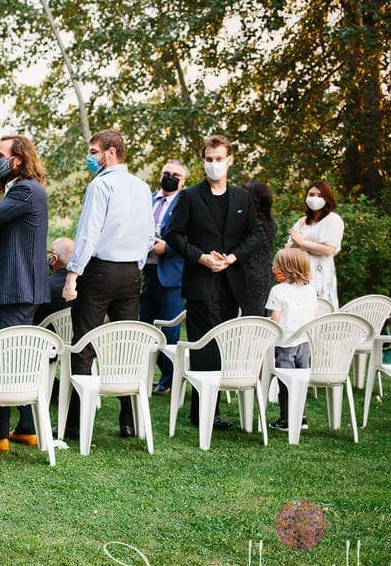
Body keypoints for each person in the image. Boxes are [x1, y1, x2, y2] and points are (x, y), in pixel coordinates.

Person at [165, 134, 262, 431]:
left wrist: (233, 257)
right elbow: (173, 234)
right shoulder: (190, 196)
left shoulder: (243, 198)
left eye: (219, 159)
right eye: (209, 160)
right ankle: (203, 412)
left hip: (232, 281)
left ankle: (214, 407)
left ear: (229, 160)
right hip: (200, 281)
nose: (214, 164)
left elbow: (255, 234)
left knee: (224, 345)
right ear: (203, 160)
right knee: (204, 346)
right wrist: (200, 257)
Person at [62, 129, 154, 439]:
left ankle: (75, 423)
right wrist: (136, 265)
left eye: (93, 151)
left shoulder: (100, 185)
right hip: (131, 273)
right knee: (125, 344)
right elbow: (149, 235)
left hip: (100, 271)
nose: (90, 157)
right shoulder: (143, 187)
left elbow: (88, 234)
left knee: (83, 344)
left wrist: (73, 275)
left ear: (110, 153)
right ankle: (127, 421)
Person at [0, 134, 49, 451]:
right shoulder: (30, 190)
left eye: (0, 155)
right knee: (16, 358)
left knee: (0, 358)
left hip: (14, 289)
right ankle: (26, 428)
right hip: (21, 289)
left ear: (17, 160)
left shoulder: (24, 190)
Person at [139, 160, 187, 395]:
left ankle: (170, 378)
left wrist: (166, 248)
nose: (170, 177)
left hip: (171, 275)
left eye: (176, 174)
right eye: (167, 173)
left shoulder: (186, 203)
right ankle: (147, 373)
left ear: (183, 180)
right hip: (146, 271)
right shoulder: (146, 199)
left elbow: (191, 240)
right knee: (145, 325)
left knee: (169, 330)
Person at [265, 248, 317, 431]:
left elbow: (275, 319)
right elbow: (314, 314)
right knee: (301, 380)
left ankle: (286, 419)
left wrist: (269, 338)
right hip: (304, 342)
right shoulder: (311, 290)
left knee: (285, 382)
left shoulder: (278, 291)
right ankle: (301, 418)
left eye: (277, 265)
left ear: (285, 268)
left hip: (284, 343)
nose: (274, 267)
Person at [285, 181, 344, 308]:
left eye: (320, 195)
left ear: (327, 198)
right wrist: (297, 244)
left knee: (319, 307)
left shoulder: (333, 219)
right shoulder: (302, 221)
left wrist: (301, 242)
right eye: (311, 194)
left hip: (320, 272)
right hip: (298, 271)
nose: (315, 198)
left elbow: (329, 249)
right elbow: (288, 247)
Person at [241, 181, 277, 316]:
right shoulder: (270, 222)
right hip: (265, 273)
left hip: (250, 274)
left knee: (251, 318)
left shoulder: (251, 223)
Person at [32, 237, 75, 324]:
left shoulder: (43, 286)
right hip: (82, 336)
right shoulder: (88, 285)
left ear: (54, 259)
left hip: (47, 336)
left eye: (50, 253)